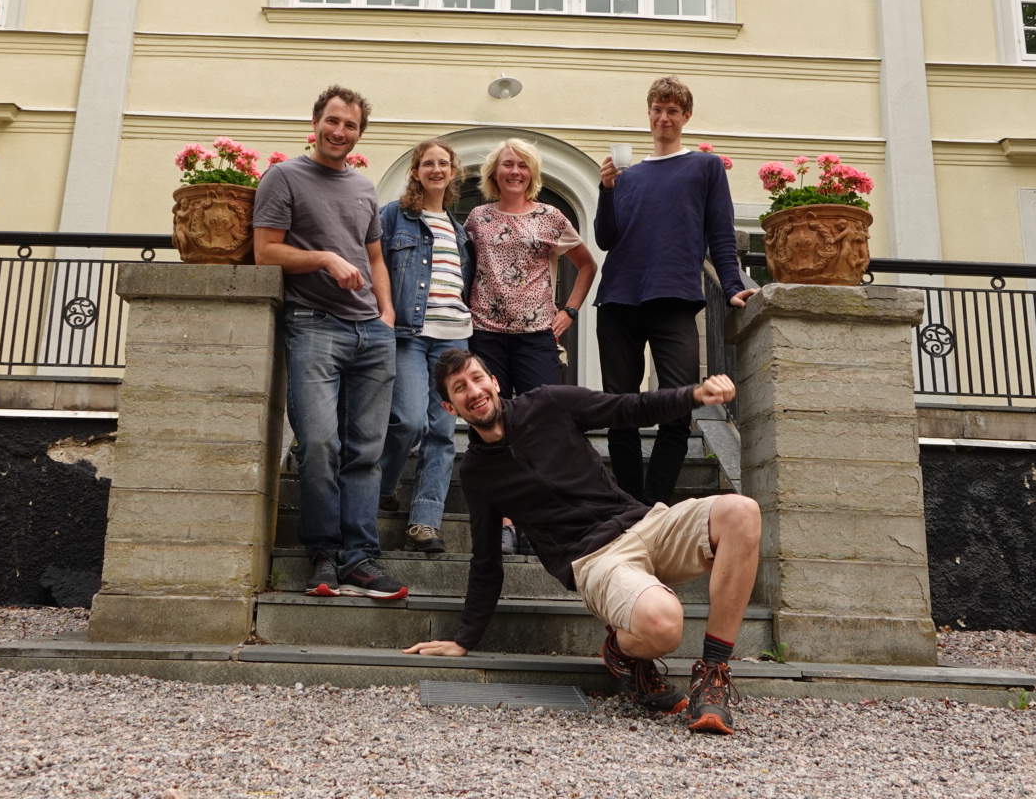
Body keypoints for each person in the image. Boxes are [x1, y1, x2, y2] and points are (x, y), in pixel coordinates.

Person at [403, 350, 761, 736]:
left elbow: (629, 408)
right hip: (593, 560)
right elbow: (486, 558)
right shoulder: (477, 473)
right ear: (448, 406)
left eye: (477, 379)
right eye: (460, 388)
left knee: (741, 513)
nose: (473, 391)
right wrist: (464, 640)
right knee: (664, 625)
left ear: (495, 381)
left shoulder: (547, 402)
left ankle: (712, 674)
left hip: (645, 522)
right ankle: (624, 652)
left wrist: (693, 395)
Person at [252, 86, 408, 601]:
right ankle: (321, 553)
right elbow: (265, 251)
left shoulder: (364, 188)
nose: (340, 132)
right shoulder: (283, 177)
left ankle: (360, 558)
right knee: (320, 444)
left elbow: (376, 259)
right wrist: (321, 258)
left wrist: (386, 316)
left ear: (359, 133)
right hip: (314, 326)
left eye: (351, 126)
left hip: (371, 333)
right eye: (333, 122)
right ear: (316, 121)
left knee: (366, 451)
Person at [595, 76, 756, 508]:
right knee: (621, 410)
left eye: (672, 111)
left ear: (685, 117)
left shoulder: (704, 167)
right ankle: (630, 506)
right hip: (617, 301)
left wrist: (733, 287)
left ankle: (656, 504)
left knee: (678, 407)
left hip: (675, 300)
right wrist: (606, 190)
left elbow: (720, 234)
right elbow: (606, 237)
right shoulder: (627, 176)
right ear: (648, 114)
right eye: (657, 109)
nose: (663, 117)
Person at [376, 139, 474, 555]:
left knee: (443, 431)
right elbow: (372, 265)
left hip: (455, 336)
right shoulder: (395, 216)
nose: (436, 169)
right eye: (428, 163)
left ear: (453, 173)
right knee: (409, 420)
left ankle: (425, 523)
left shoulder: (461, 231)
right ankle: (382, 485)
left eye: (444, 164)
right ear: (416, 171)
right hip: (410, 335)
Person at [464, 138, 597, 397]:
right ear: (495, 172)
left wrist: (570, 311)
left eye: (523, 166)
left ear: (532, 173)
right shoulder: (477, 218)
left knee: (541, 411)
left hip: (535, 335)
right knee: (491, 411)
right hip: (484, 333)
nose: (515, 171)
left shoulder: (551, 216)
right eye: (508, 164)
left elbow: (587, 266)